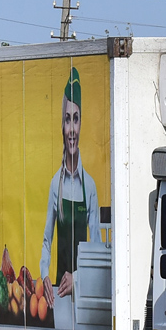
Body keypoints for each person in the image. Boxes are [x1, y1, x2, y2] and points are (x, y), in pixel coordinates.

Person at [40, 67, 102, 300]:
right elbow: (47, 241)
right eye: (67, 119)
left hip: (84, 291)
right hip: (59, 294)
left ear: (81, 124)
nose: (72, 129)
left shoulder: (91, 187)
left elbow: (96, 250)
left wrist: (77, 278)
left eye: (76, 119)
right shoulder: (56, 184)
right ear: (62, 126)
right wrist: (45, 274)